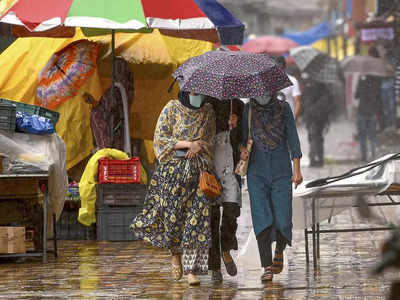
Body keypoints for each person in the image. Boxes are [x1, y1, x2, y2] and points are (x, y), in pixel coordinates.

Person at [131, 90, 216, 285]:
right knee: (174, 219)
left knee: (197, 220)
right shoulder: (171, 108)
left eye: (200, 92)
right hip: (173, 174)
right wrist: (187, 144)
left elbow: (210, 140)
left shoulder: (208, 112)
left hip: (199, 174)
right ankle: (175, 254)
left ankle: (190, 270)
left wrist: (199, 146)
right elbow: (160, 139)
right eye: (194, 92)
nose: (198, 96)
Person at [240, 94, 303, 282]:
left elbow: (294, 140)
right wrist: (240, 146)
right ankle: (266, 266)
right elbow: (241, 139)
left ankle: (279, 250)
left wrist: (297, 170)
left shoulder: (284, 109)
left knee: (283, 217)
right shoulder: (248, 110)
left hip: (281, 172)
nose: (263, 93)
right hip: (256, 173)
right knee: (261, 217)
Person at [206, 97, 244, 282]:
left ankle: (226, 250)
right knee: (212, 218)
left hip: (231, 168)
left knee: (231, 212)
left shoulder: (238, 105)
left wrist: (236, 128)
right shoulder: (206, 104)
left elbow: (244, 136)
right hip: (210, 168)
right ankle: (214, 267)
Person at [301, 73, 334, 167]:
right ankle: (318, 158)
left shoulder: (309, 87)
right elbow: (330, 105)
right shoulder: (324, 88)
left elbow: (304, 102)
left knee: (313, 137)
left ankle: (314, 158)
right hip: (320, 118)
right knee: (318, 138)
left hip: (313, 117)